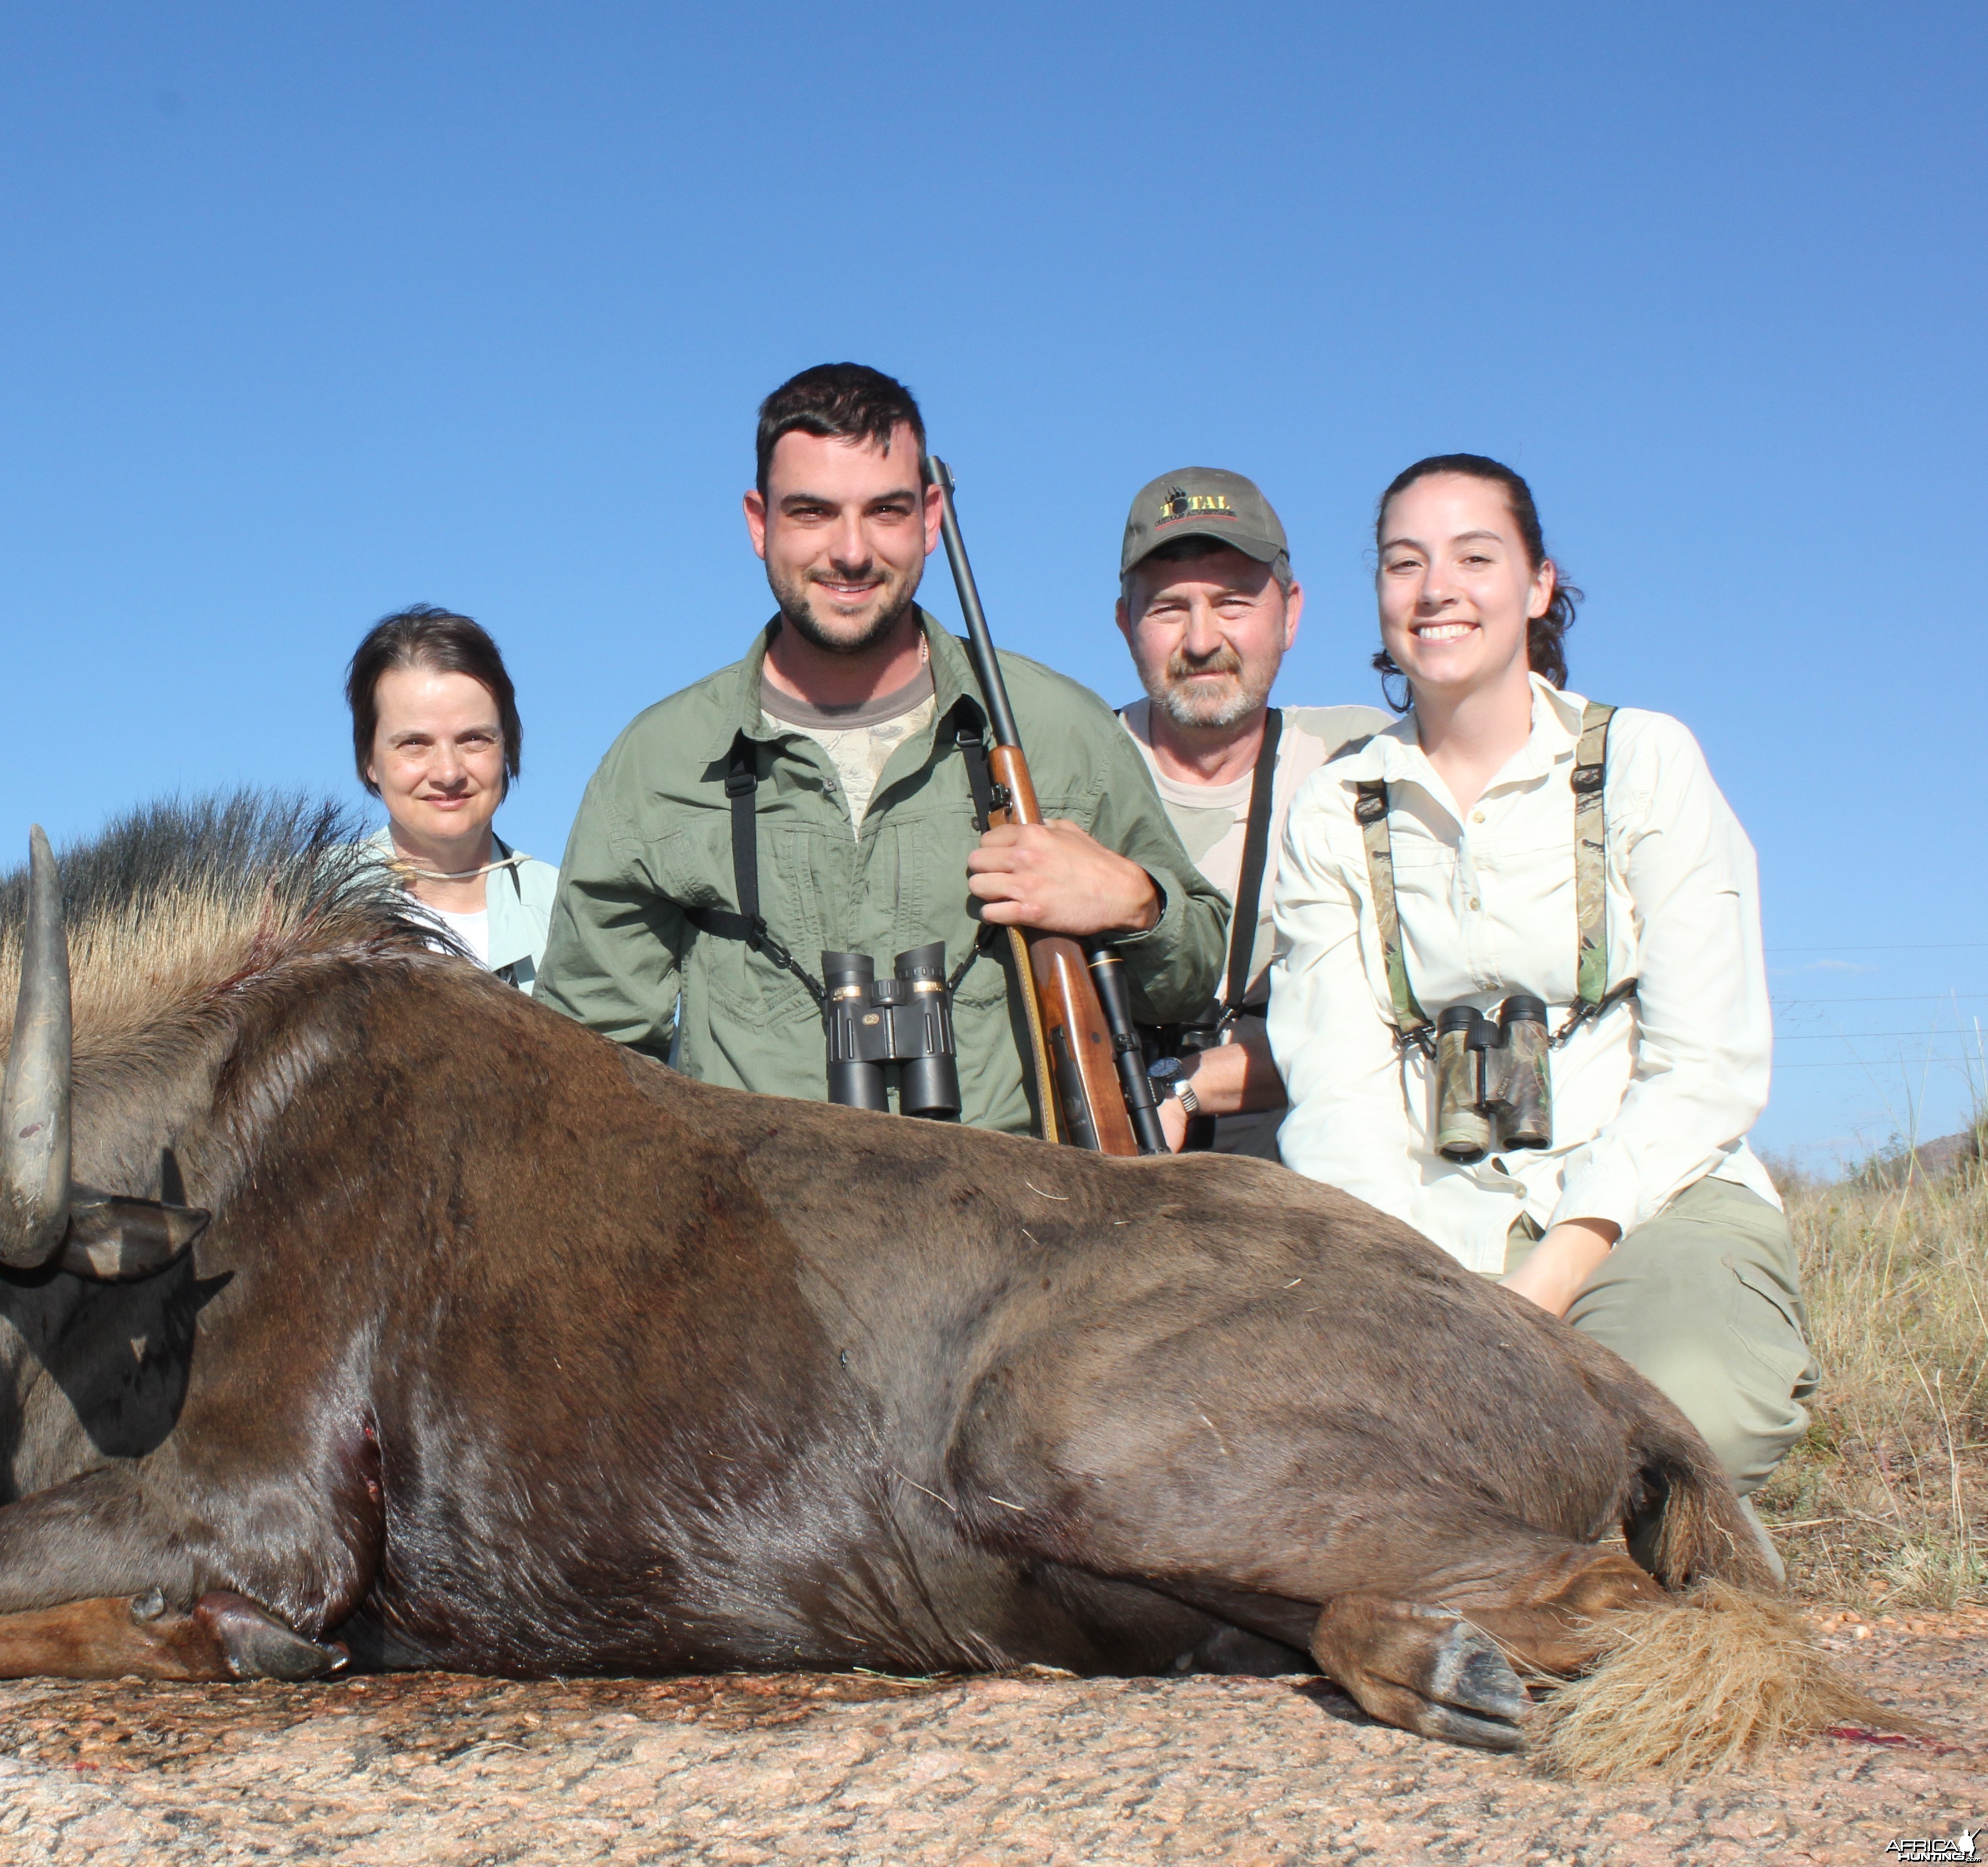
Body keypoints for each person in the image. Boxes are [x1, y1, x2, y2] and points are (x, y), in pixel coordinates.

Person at [1269, 452, 1816, 1520]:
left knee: (1687, 1413)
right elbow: (1334, 1097)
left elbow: (1705, 1067)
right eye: (1402, 561)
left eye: (1474, 557)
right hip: (1424, 1232)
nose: (1435, 589)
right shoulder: (1333, 807)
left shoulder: (1645, 760)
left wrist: (1550, 1279)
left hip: (1640, 1208)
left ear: (1533, 585)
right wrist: (1421, 1292)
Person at [538, 363, 1227, 1134]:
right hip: (759, 1238)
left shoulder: (1056, 727)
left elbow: (1195, 974)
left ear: (931, 518)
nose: (852, 552)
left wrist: (1137, 904)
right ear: (759, 522)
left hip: (1022, 1235)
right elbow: (580, 1059)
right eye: (813, 513)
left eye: (886, 511)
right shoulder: (656, 762)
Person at [1110, 467, 1388, 1158]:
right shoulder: (1066, 764)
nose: (1202, 640)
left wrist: (1184, 1087)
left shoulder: (1366, 759)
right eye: (1169, 608)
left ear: (1291, 613)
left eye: (1233, 603)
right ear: (1125, 624)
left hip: (1308, 1141)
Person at [348, 605, 557, 994]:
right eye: (414, 743)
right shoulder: (301, 906)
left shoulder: (573, 913)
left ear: (508, 747)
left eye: (474, 739)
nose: (448, 773)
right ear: (369, 760)